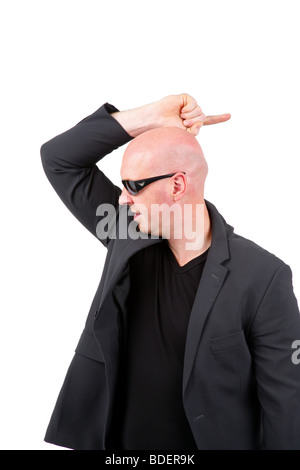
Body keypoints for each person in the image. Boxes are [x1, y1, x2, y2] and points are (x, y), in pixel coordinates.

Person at [40, 93, 300, 450]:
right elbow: (59, 159)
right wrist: (151, 116)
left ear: (177, 185)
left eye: (133, 186)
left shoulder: (263, 276)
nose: (121, 199)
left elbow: (287, 401)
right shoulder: (126, 230)